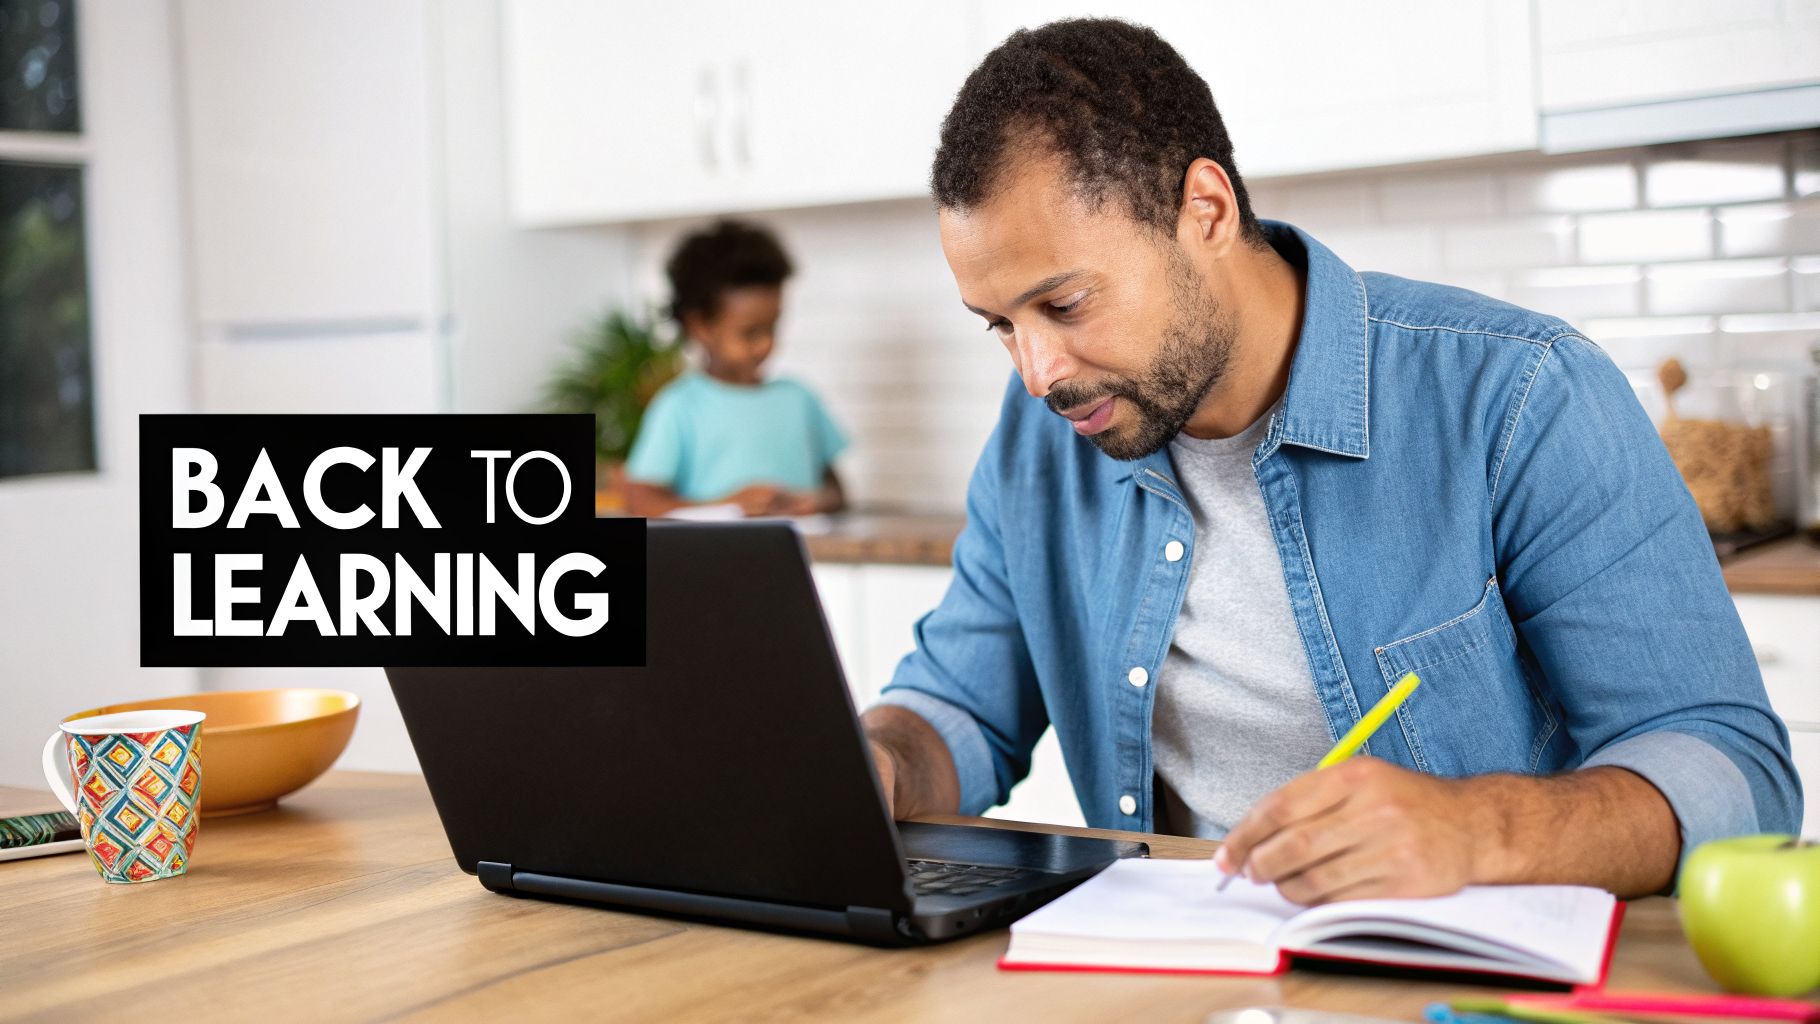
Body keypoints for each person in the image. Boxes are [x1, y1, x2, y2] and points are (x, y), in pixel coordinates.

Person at [861, 19, 1800, 905]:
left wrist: (1477, 831)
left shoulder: (1517, 395)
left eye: (1062, 307)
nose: (1038, 374)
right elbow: (960, 708)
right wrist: (882, 758)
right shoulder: (1046, 437)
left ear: (1206, 210)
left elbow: (1734, 772)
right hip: (1179, 971)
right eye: (1001, 327)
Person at [624, 219, 848, 517]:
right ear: (700, 326)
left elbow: (836, 491)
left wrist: (815, 501)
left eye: (773, 327)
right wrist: (726, 507)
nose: (766, 344)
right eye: (750, 332)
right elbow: (640, 501)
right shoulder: (680, 406)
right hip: (713, 561)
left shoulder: (799, 399)